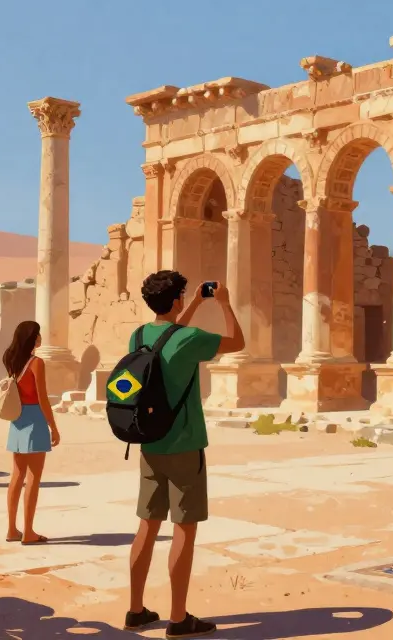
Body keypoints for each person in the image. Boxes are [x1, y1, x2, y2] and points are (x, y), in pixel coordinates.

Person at [124, 271, 244, 638]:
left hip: (149, 442)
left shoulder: (140, 335)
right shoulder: (191, 339)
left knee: (146, 526)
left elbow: (169, 337)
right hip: (185, 443)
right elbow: (237, 342)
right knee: (183, 530)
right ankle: (178, 618)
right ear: (175, 300)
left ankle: (136, 610)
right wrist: (221, 303)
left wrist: (191, 303)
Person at [1, 320, 61, 544]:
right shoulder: (37, 363)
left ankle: (11, 529)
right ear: (32, 337)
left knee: (16, 476)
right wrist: (53, 426)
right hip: (35, 419)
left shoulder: (11, 360)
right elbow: (42, 398)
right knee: (34, 479)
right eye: (38, 334)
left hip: (17, 419)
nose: (40, 337)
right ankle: (29, 532)